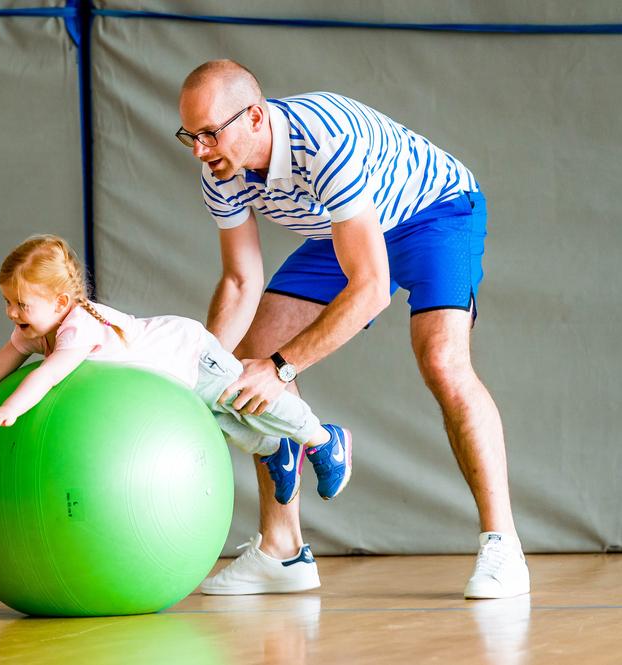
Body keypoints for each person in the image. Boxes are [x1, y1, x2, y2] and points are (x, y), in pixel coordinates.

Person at [176, 59, 529, 599]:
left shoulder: (323, 140)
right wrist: (199, 370)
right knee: (248, 352)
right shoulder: (222, 169)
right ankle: (282, 552)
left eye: (208, 135)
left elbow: (369, 289)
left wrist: (280, 369)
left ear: (253, 117)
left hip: (435, 212)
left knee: (442, 360)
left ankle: (503, 543)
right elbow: (240, 282)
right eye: (189, 136)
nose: (199, 150)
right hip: (347, 228)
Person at [0, 235, 352, 544]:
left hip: (189, 355)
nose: (12, 313)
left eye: (21, 304)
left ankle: (322, 439)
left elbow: (49, 374)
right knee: (229, 427)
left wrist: (12, 408)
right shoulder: (34, 330)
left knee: (245, 399)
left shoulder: (76, 328)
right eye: (7, 302)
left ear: (61, 302)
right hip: (170, 387)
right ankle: (278, 450)